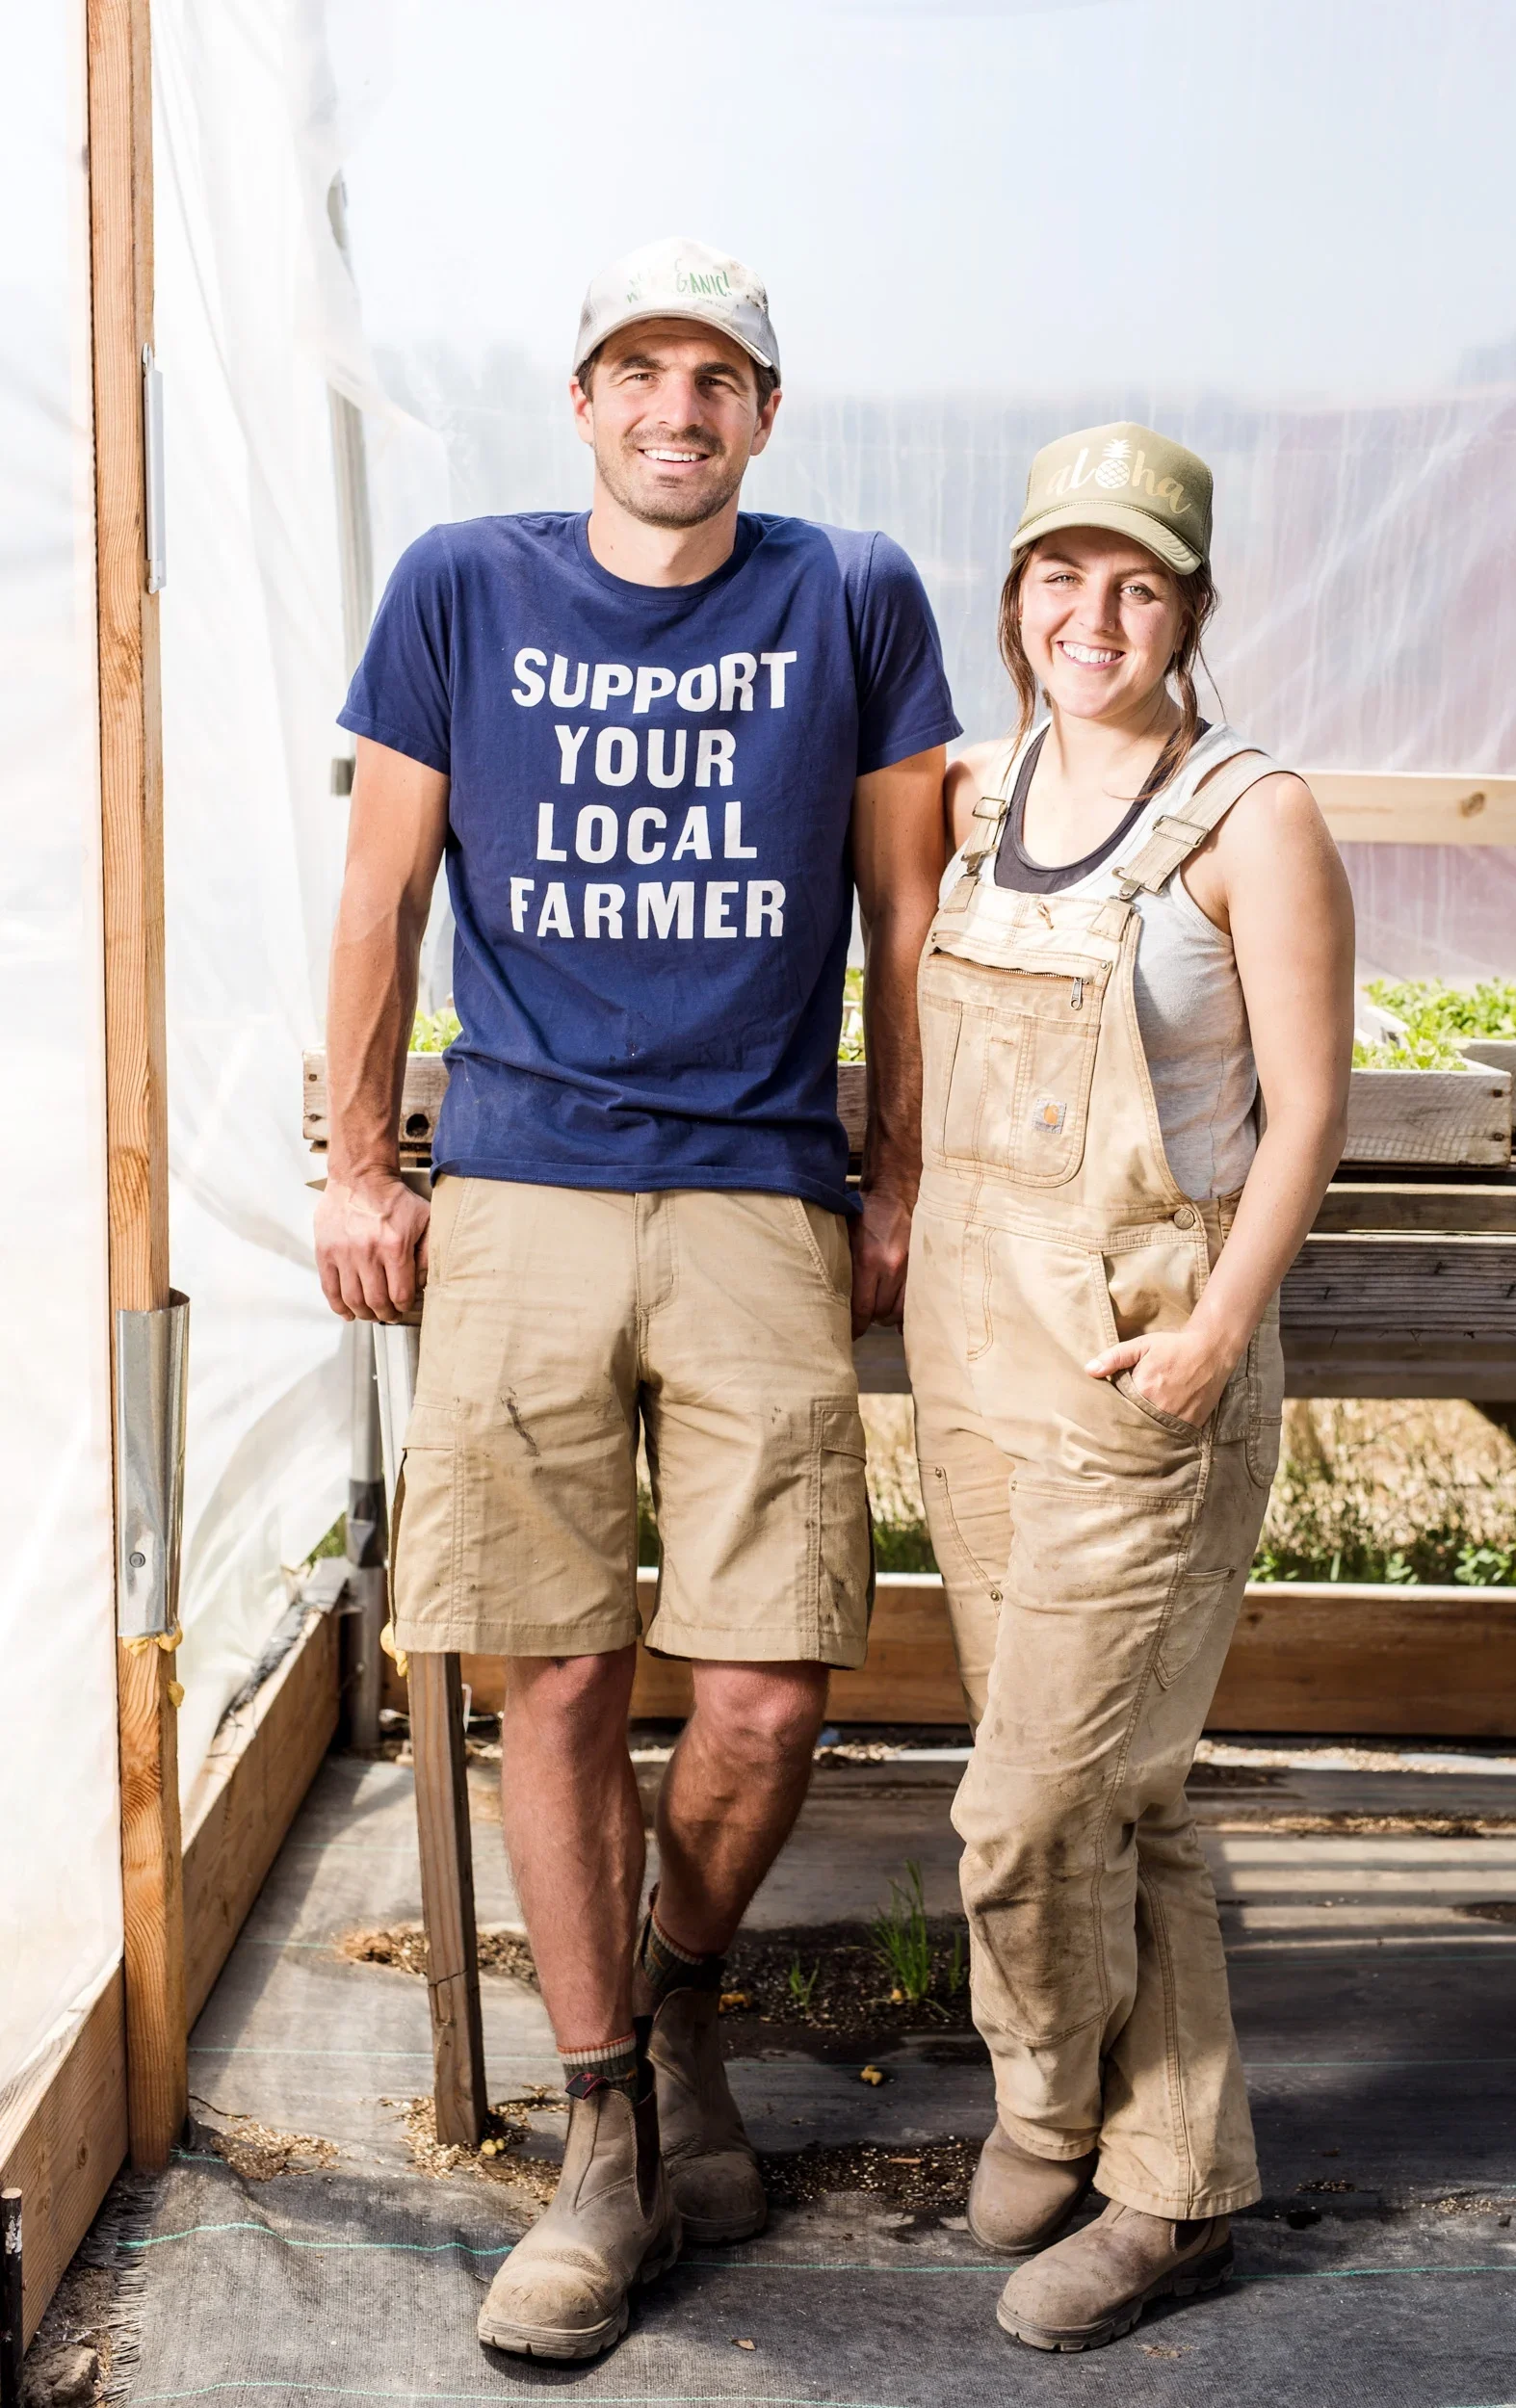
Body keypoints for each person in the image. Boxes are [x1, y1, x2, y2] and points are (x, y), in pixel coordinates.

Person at [314, 236, 957, 2362]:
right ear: (579, 402)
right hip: (516, 1188)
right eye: (635, 373)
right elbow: (381, 897)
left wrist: (897, 1177)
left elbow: (902, 910)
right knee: (559, 1677)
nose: (674, 409)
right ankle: (606, 2136)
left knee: (768, 1680)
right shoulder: (459, 586)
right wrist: (354, 1158)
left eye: (716, 377)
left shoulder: (848, 591)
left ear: (763, 411)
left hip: (761, 1190)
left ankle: (677, 2010)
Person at [904, 423, 1353, 2352]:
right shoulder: (966, 790)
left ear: (1187, 606)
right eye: (1056, 576)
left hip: (1135, 1367)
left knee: (1019, 1807)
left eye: (1136, 583)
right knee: (1128, 1790)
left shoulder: (1249, 817)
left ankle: (1047, 2103)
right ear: (1014, 596)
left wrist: (1205, 1333)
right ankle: (1167, 2187)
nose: (1091, 616)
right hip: (968, 1361)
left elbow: (1305, 1111)